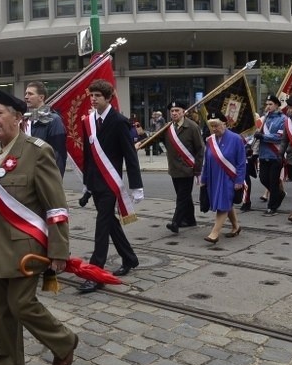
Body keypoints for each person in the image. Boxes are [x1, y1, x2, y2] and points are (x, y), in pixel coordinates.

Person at [0, 89, 78, 365]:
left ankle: (64, 342)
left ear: (18, 118)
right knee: (0, 311)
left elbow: (56, 206)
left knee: (21, 304)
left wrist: (59, 251)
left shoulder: (37, 151)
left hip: (24, 247)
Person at [78, 79, 143, 293]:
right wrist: (86, 184)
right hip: (95, 182)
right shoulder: (88, 121)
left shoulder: (119, 121)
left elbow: (130, 155)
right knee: (111, 223)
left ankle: (95, 273)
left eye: (97, 96)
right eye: (91, 96)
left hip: (110, 183)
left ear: (108, 98)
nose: (93, 99)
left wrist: (136, 186)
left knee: (102, 225)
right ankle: (129, 258)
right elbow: (88, 156)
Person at [155, 101, 204, 235]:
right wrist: (140, 140)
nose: (174, 113)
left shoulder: (192, 127)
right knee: (184, 196)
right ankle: (190, 220)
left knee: (181, 197)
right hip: (174, 169)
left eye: (177, 110)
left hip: (188, 169)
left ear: (184, 112)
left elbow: (200, 149)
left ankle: (176, 222)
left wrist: (198, 169)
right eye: (172, 111)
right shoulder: (168, 127)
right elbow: (154, 139)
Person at [201, 112, 245, 243]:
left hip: (229, 178)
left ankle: (214, 233)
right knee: (226, 202)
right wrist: (204, 179)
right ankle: (236, 226)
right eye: (212, 126)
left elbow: (241, 162)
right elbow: (206, 161)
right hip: (214, 177)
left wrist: (239, 180)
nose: (214, 129)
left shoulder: (236, 139)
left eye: (217, 125)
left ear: (224, 124)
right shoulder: (210, 141)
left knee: (223, 204)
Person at [24, 81, 67, 177]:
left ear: (41, 97)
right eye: (26, 93)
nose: (26, 97)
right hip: (28, 174)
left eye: (30, 94)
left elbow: (58, 153)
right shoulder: (26, 119)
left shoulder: (54, 120)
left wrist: (55, 179)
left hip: (46, 175)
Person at [254, 95, 286, 216]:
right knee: (263, 178)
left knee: (273, 181)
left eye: (270, 104)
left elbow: (279, 137)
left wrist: (263, 136)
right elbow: (256, 132)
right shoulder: (264, 119)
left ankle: (272, 207)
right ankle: (279, 193)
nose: (268, 106)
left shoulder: (283, 119)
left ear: (277, 105)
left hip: (276, 154)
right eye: (267, 104)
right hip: (263, 154)